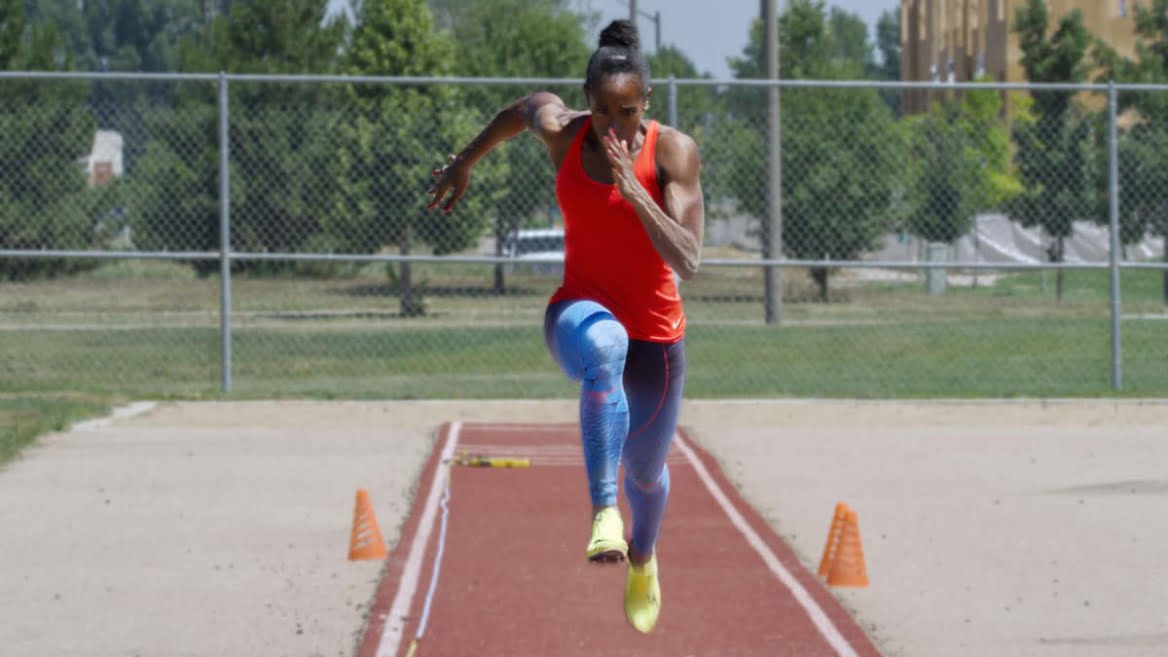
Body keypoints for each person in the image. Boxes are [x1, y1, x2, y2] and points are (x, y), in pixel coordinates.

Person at [426, 19, 703, 634]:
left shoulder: (674, 152)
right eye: (601, 109)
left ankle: (644, 556)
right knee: (606, 345)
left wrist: (635, 189)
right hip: (579, 314)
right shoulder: (566, 135)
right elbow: (524, 109)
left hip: (657, 341)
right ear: (585, 101)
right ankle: (603, 514)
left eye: (626, 111)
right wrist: (465, 161)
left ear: (646, 105)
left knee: (647, 473)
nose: (613, 125)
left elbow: (688, 257)